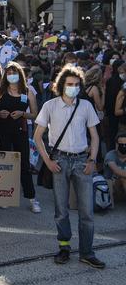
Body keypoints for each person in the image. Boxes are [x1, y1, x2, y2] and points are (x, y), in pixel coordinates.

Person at [34, 66, 105, 269]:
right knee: (61, 210)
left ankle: (86, 253)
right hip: (60, 161)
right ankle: (64, 248)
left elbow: (95, 136)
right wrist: (47, 161)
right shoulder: (49, 106)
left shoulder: (86, 106)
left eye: (76, 85)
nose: (73, 88)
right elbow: (38, 136)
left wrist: (92, 160)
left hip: (82, 160)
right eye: (69, 84)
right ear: (61, 85)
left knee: (87, 212)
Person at [0, 62, 41, 213]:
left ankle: (32, 198)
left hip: (20, 130)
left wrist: (22, 114)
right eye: (9, 73)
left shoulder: (27, 91)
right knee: (3, 163)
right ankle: (3, 196)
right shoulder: (1, 91)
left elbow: (35, 114)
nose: (12, 76)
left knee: (24, 164)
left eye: (15, 72)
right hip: (2, 130)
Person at [104, 133, 126, 201]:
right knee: (123, 178)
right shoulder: (110, 155)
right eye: (121, 144)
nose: (124, 146)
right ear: (116, 145)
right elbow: (117, 171)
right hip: (112, 183)